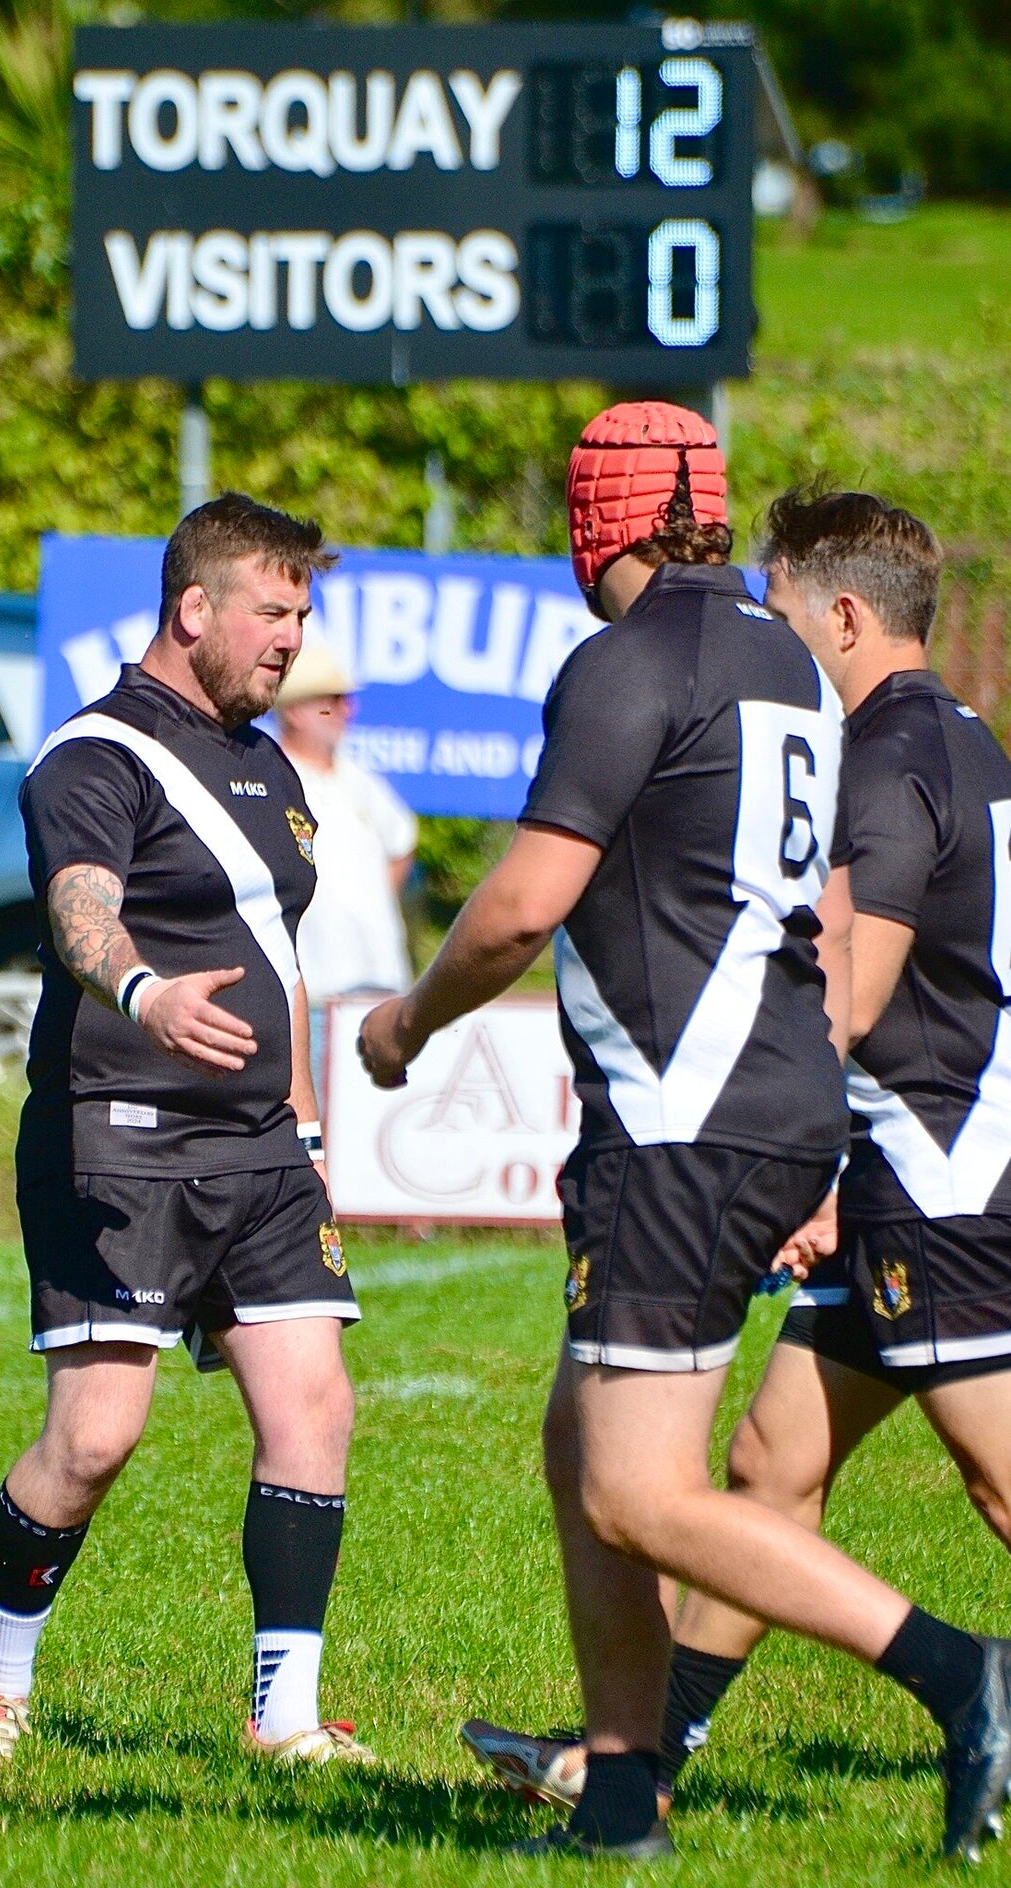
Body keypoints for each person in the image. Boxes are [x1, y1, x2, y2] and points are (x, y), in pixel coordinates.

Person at [358, 406, 1011, 1863]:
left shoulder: (625, 661)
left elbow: (524, 903)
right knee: (583, 1442)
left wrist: (403, 1024)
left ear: (599, 526)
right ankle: (616, 1791)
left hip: (684, 1122)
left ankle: (957, 1671)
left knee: (636, 1487)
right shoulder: (787, 666)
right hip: (770, 1106)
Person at [0, 492, 372, 1769]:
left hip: (257, 1151)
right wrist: (142, 992)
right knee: (93, 1439)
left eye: (304, 613)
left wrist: (298, 1113)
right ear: (195, 608)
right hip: (115, 1136)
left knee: (315, 1406)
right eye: (274, 611)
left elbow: (271, 953)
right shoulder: (93, 754)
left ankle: (283, 1718)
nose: (294, 638)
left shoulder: (265, 757)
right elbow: (83, 914)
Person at [273, 639, 416, 1111]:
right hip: (314, 993)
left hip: (381, 988)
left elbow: (401, 843)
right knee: (315, 1130)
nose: (346, 709)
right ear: (295, 711)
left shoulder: (358, 778)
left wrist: (367, 904)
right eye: (330, 701)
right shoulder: (273, 777)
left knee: (381, 1131)